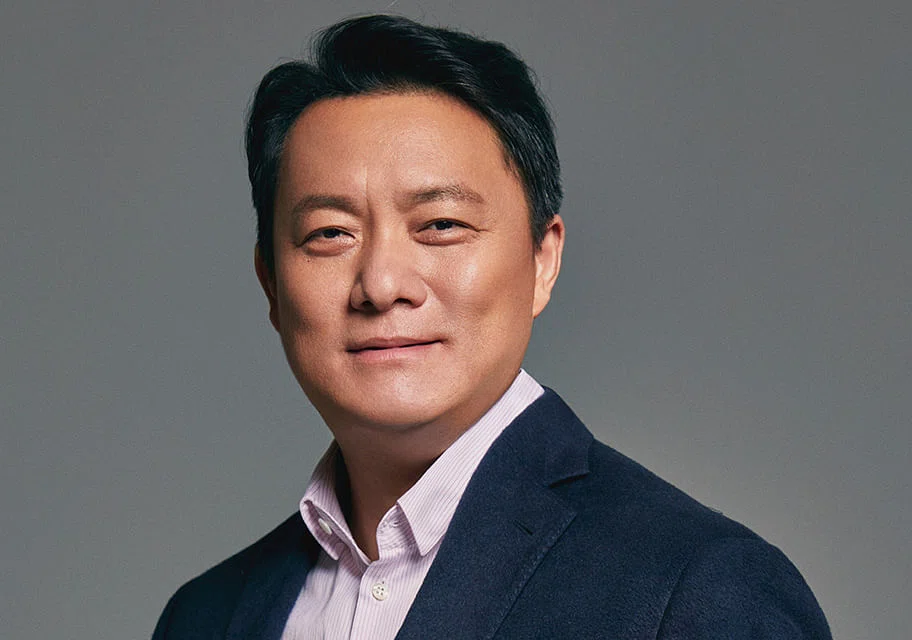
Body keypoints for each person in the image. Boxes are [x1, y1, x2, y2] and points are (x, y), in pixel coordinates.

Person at [152, 14, 830, 639]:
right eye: (330, 233)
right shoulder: (204, 617)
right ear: (271, 283)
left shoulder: (700, 590)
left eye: (441, 225)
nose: (381, 284)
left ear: (542, 260)